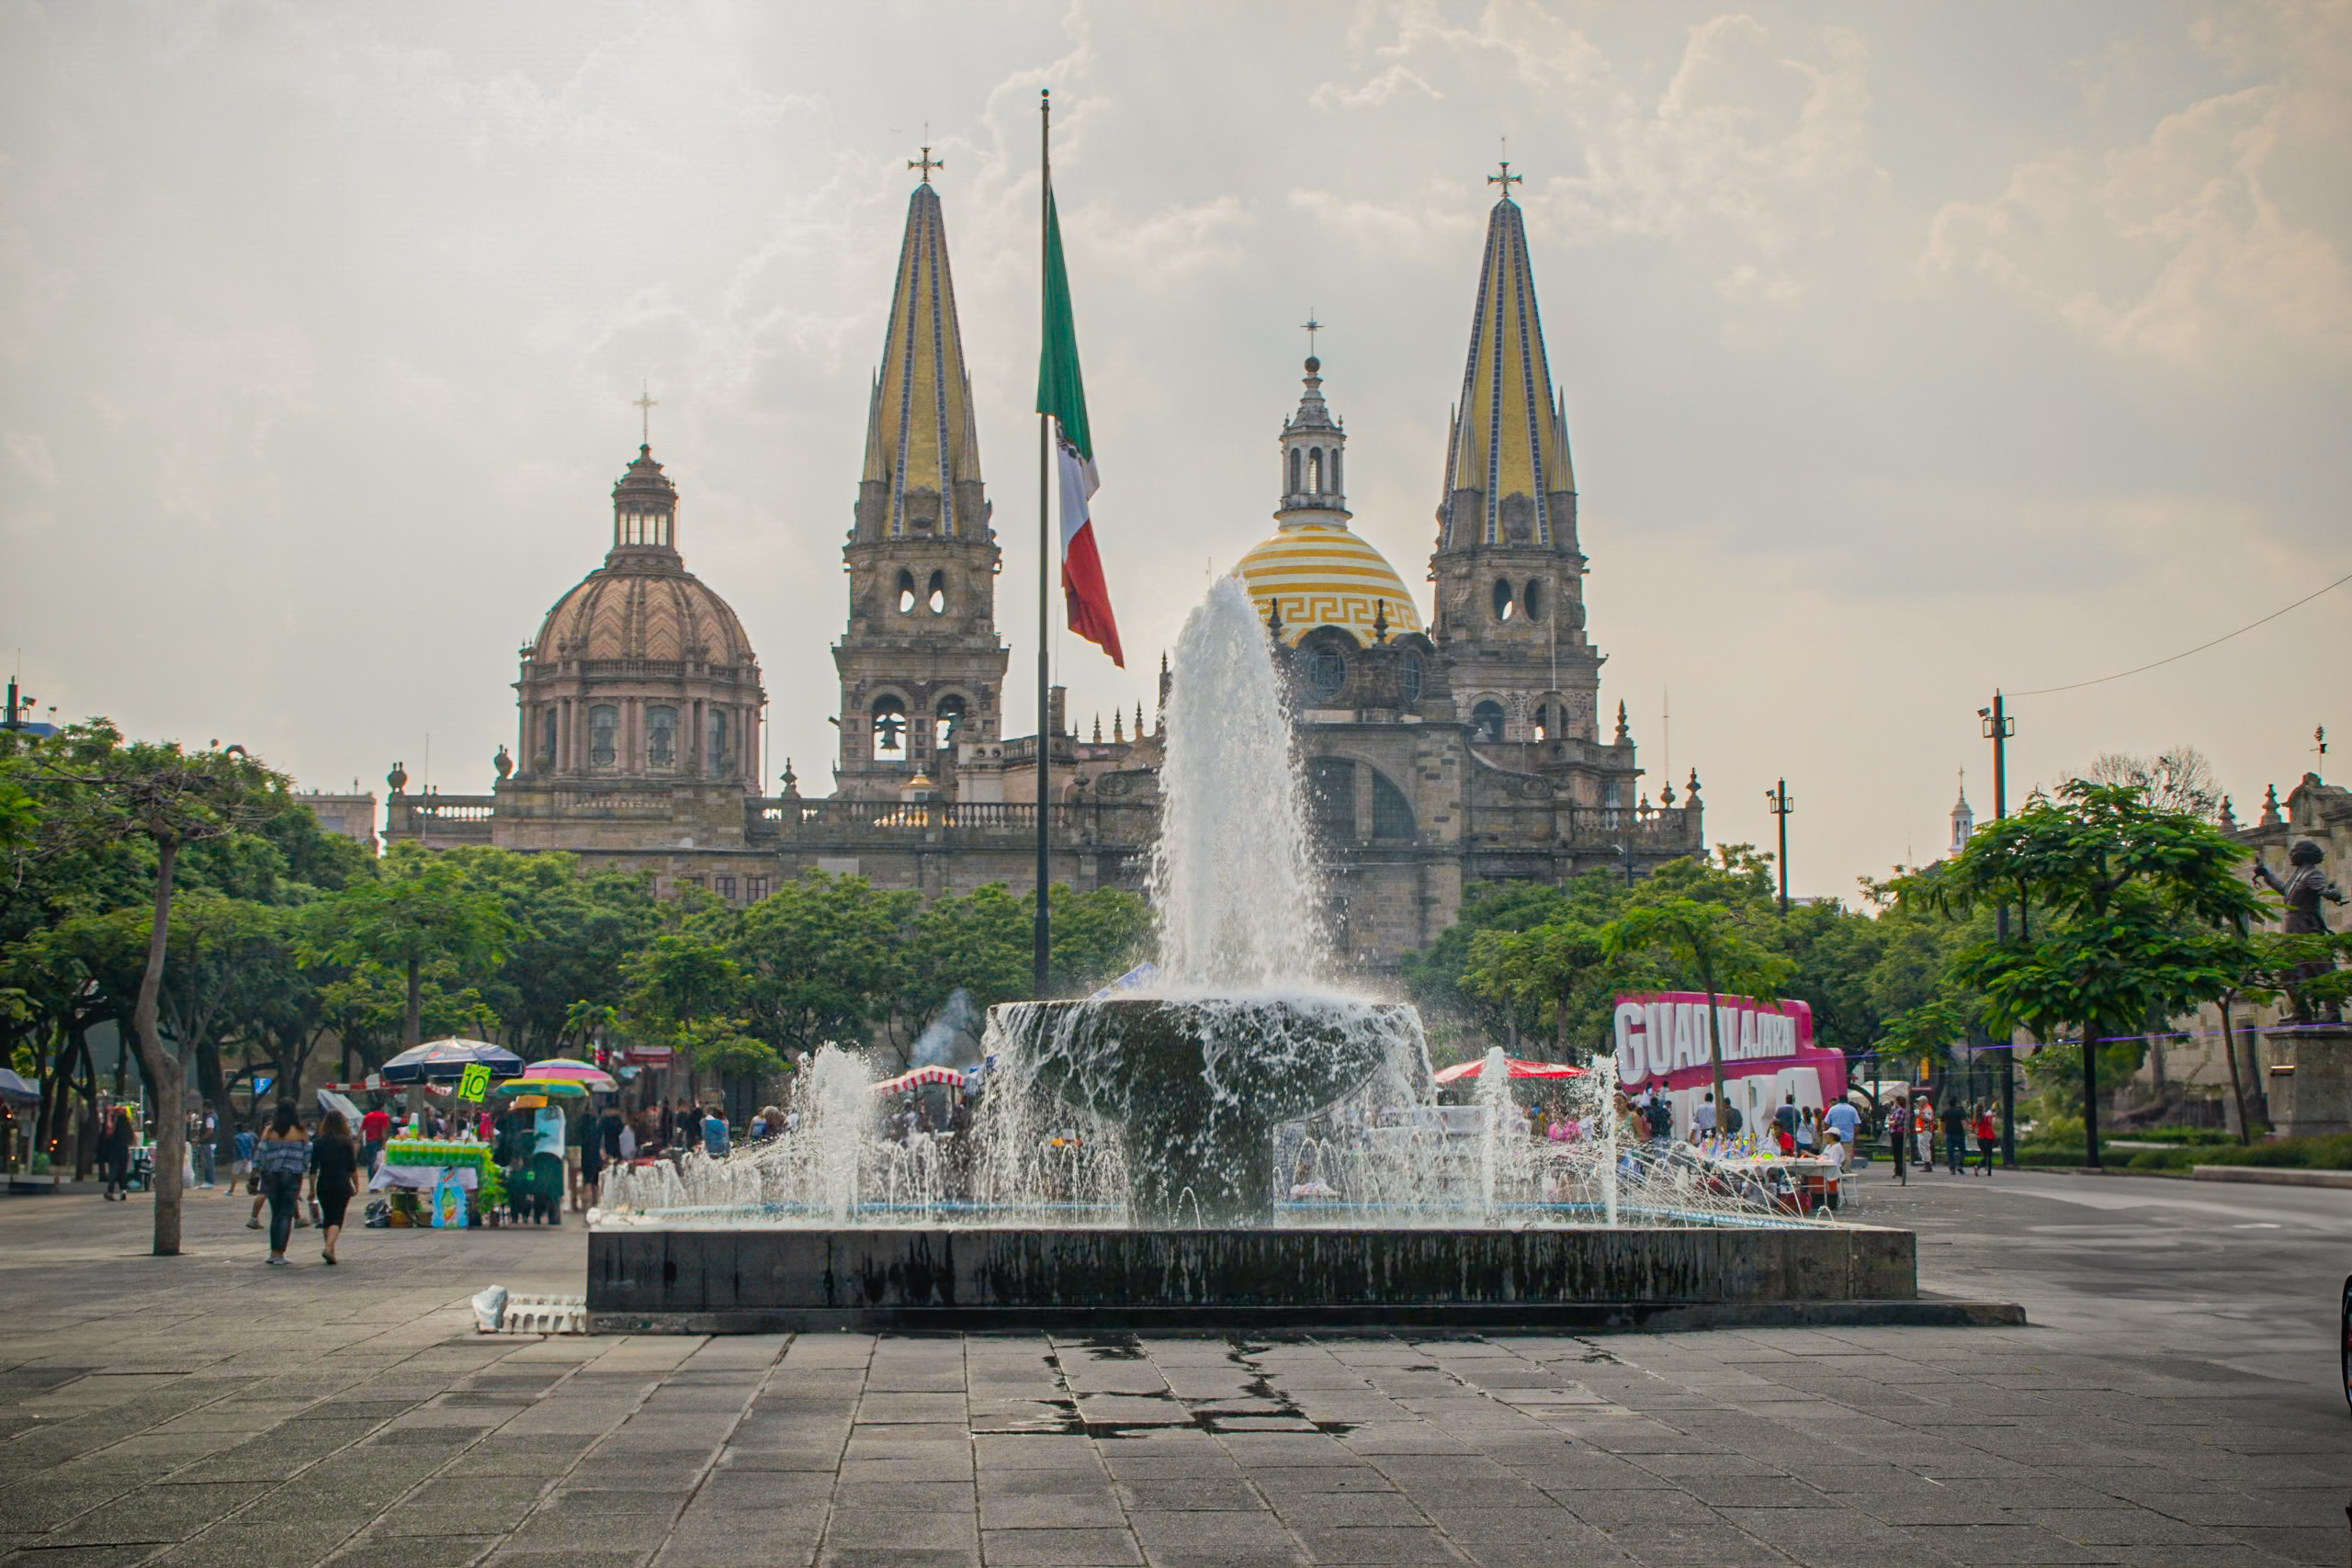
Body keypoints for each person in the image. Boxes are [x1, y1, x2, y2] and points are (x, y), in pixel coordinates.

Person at [254, 1103, 310, 1266]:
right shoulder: (300, 1131)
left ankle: (273, 1252)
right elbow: (307, 1154)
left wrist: (255, 1171)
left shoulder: (270, 1130)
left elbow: (261, 1152)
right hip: (293, 1176)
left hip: (271, 1175)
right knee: (286, 1214)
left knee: (276, 1213)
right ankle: (280, 1253)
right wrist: (302, 1166)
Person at [309, 1111, 358, 1265]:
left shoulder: (318, 1142)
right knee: (337, 1219)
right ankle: (329, 1248)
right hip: (341, 1184)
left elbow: (313, 1169)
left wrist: (311, 1189)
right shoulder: (346, 1142)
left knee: (327, 1217)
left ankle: (331, 1250)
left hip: (323, 1183)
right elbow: (352, 1167)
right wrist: (356, 1184)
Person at [99, 1106, 134, 1201]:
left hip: (113, 1151)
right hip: (123, 1150)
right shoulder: (127, 1125)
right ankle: (123, 1191)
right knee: (122, 1171)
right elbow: (130, 1138)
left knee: (113, 1171)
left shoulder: (111, 1126)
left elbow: (105, 1137)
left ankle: (110, 1191)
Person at [360, 1103, 390, 1177]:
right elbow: (384, 1130)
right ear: (382, 1108)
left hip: (369, 1143)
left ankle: (371, 1184)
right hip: (378, 1142)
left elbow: (361, 1130)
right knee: (380, 1164)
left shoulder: (367, 1116)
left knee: (371, 1164)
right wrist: (384, 1141)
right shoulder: (384, 1116)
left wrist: (358, 1141)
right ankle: (377, 1183)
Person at [1886, 1097, 1909, 1185]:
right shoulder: (1899, 1110)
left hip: (1897, 1133)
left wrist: (1889, 1122)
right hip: (1897, 1133)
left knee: (1898, 1152)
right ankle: (1898, 1170)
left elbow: (1897, 1121)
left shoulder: (1900, 1110)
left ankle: (1899, 1171)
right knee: (1897, 1152)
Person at [1974, 1103, 1997, 1175]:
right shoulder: (1986, 1118)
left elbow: (1974, 1127)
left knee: (1984, 1154)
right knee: (1989, 1155)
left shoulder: (1977, 1118)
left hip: (1979, 1138)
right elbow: (1990, 1125)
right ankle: (1982, 1167)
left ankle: (1983, 1167)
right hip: (1987, 1137)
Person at [1944, 1101, 1966, 1175]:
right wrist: (1966, 1131)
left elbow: (1942, 1122)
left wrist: (1942, 1132)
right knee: (1962, 1150)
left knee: (1950, 1152)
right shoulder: (1959, 1112)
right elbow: (1963, 1122)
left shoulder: (1946, 1112)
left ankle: (1952, 1168)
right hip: (1959, 1134)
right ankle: (1960, 1165)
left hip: (1949, 1134)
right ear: (1956, 1104)